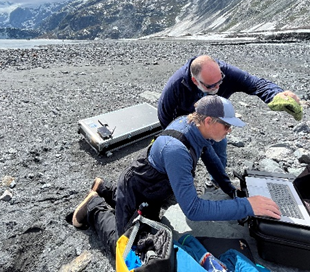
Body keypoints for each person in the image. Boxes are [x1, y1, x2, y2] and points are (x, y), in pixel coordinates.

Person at [70, 95, 281, 256]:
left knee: (152, 228)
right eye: (226, 126)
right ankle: (94, 206)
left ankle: (105, 188)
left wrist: (231, 191)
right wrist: (248, 206)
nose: (229, 131)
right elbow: (193, 210)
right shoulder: (177, 149)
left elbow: (211, 159)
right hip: (137, 188)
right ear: (209, 120)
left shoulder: (196, 128)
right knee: (127, 249)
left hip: (151, 190)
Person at [158, 55, 302, 187]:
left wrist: (275, 95)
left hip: (215, 123)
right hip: (188, 125)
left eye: (219, 82)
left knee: (218, 152)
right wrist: (179, 140)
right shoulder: (176, 85)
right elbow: (164, 115)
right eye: (210, 86)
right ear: (195, 80)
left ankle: (215, 184)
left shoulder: (225, 73)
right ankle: (175, 185)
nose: (217, 88)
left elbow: (254, 83)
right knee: (185, 159)